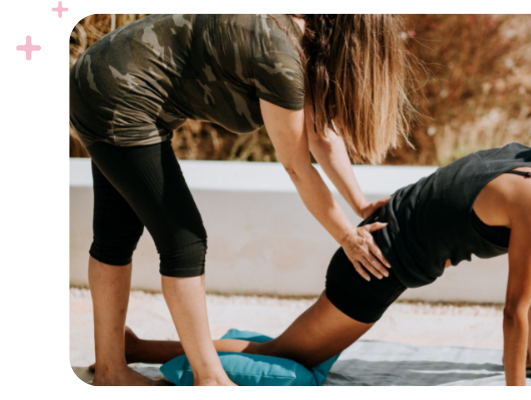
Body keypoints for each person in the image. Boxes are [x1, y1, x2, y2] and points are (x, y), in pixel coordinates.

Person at [120, 88, 531, 386]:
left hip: (383, 251)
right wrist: (516, 388)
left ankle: (140, 345)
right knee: (286, 355)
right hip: (373, 265)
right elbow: (513, 310)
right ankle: (142, 349)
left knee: (288, 348)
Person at [70, 14, 412, 386]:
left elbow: (321, 135)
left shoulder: (301, 43)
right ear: (355, 46)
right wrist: (347, 237)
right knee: (184, 241)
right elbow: (298, 168)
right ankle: (210, 380)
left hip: (104, 78)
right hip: (118, 93)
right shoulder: (281, 57)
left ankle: (111, 369)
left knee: (116, 235)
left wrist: (360, 205)